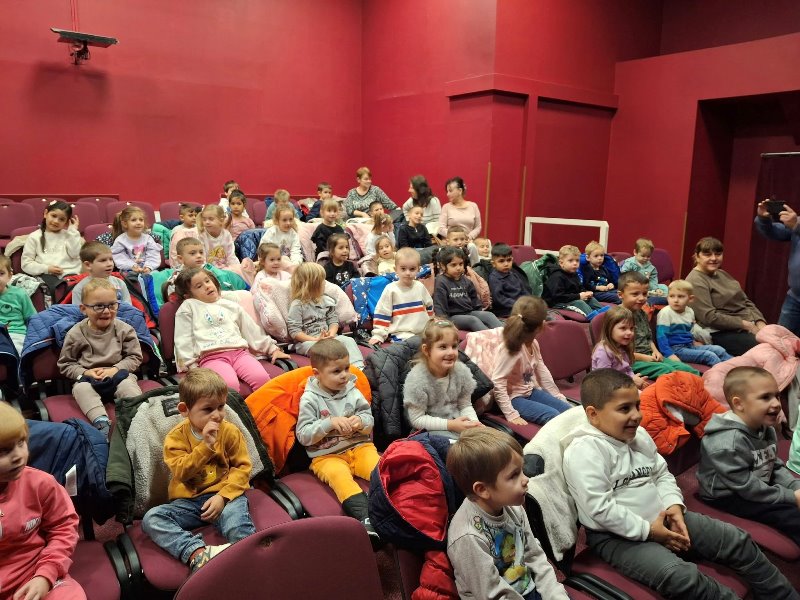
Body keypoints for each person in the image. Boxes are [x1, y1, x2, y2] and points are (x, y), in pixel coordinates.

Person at [562, 368, 797, 599]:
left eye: (637, 406)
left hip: (663, 516)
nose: (637, 415)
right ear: (593, 414)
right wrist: (649, 531)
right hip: (615, 536)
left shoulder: (639, 436)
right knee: (682, 577)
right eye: (625, 409)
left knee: (736, 540)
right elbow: (599, 509)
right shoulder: (585, 451)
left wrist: (673, 505)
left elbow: (662, 474)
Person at [141, 369, 256, 572]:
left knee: (236, 525)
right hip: (190, 502)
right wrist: (206, 446)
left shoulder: (230, 431)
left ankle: (246, 561)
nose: (217, 415)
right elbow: (182, 473)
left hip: (226, 496)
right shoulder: (175, 438)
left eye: (221, 406)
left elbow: (242, 468)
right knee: (152, 519)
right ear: (185, 410)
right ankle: (198, 554)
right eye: (208, 409)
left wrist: (223, 497)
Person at [446, 428, 569, 600]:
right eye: (514, 475)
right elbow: (492, 594)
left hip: (525, 587)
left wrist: (556, 595)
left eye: (522, 470)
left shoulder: (514, 507)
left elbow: (534, 556)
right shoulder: (467, 537)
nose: (526, 479)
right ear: (482, 489)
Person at [697, 367, 800, 546]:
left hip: (756, 480)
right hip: (727, 494)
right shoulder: (727, 443)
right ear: (739, 404)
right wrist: (791, 497)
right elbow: (746, 487)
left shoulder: (766, 428)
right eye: (765, 397)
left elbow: (773, 464)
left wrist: (795, 487)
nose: (777, 403)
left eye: (776, 396)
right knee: (789, 515)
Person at [295, 338, 380, 541]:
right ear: (317, 373)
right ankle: (365, 518)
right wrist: (329, 423)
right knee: (339, 477)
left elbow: (369, 419)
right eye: (336, 371)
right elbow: (303, 435)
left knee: (380, 469)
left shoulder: (353, 390)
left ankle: (398, 504)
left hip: (360, 447)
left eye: (346, 368)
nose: (344, 375)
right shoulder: (310, 399)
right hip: (327, 456)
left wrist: (360, 421)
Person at [0, 403, 87, 600]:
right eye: (3, 451)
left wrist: (46, 574)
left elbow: (64, 528)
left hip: (33, 572)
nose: (18, 456)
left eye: (21, 442)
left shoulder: (41, 483)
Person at [173, 267, 289, 390]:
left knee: (262, 379)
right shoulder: (188, 306)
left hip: (240, 354)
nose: (207, 286)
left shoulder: (230, 305)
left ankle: (262, 404)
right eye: (199, 286)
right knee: (229, 386)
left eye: (207, 281)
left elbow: (251, 330)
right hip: (211, 358)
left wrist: (272, 349)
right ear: (188, 296)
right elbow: (183, 338)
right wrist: (191, 365)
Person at [57, 278, 143, 438]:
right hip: (89, 378)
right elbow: (66, 364)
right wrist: (85, 373)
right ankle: (100, 421)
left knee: (128, 385)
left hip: (118, 374)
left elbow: (134, 357)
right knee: (81, 389)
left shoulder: (125, 329)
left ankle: (137, 419)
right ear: (83, 309)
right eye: (98, 306)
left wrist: (115, 369)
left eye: (112, 305)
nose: (106, 311)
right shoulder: (75, 333)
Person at [491, 296, 572, 426]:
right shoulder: (511, 349)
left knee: (569, 411)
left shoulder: (534, 343)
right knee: (554, 416)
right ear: (542, 325)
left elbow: (542, 372)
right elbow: (497, 382)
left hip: (529, 391)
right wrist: (511, 414)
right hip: (513, 398)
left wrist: (557, 395)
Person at [686, 236, 766, 356]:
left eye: (718, 254)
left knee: (784, 342)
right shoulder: (695, 280)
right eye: (707, 255)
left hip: (747, 325)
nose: (714, 258)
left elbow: (745, 301)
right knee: (766, 350)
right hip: (720, 332)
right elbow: (709, 317)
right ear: (697, 256)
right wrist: (745, 324)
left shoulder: (722, 273)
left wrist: (760, 322)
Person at [402, 319, 481, 438]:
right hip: (428, 432)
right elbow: (417, 419)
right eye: (443, 347)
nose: (451, 352)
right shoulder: (416, 379)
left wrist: (474, 425)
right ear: (426, 350)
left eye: (454, 346)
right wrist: (451, 425)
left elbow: (465, 405)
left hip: (457, 425)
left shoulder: (461, 371)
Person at [618, 271, 699, 380]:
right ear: (621, 295)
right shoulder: (617, 317)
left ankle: (701, 386)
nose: (641, 298)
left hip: (649, 355)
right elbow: (617, 352)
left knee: (686, 369)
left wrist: (656, 351)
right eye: (635, 294)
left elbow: (648, 338)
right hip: (631, 361)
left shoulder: (642, 313)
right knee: (669, 371)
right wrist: (644, 357)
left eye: (644, 294)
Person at [287, 262, 364, 368]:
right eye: (322, 280)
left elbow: (333, 321)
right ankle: (336, 371)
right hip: (308, 342)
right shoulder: (297, 305)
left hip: (329, 339)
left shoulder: (327, 300)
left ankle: (359, 367)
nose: (325, 283)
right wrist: (315, 340)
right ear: (312, 284)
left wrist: (331, 334)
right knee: (325, 349)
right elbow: (295, 331)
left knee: (348, 340)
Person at [656, 279, 732, 367]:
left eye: (680, 296)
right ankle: (723, 371)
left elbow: (689, 331)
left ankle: (736, 366)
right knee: (709, 356)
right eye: (672, 296)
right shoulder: (665, 313)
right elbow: (661, 337)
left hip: (689, 345)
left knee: (719, 349)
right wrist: (669, 354)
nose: (676, 300)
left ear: (690, 299)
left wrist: (693, 341)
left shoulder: (690, 311)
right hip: (675, 349)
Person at [368, 248, 433, 344]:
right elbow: (382, 313)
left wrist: (431, 325)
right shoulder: (391, 289)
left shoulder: (420, 286)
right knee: (415, 344)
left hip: (423, 332)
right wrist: (379, 335)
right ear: (396, 270)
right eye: (403, 269)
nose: (408, 273)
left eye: (412, 269)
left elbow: (429, 306)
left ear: (418, 270)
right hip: (401, 334)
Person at [754, 199, 800, 336]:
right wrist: (763, 219)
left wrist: (796, 226)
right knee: (779, 342)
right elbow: (774, 232)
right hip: (795, 298)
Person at [433, 246, 501, 331]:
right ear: (443, 266)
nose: (458, 268)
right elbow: (439, 306)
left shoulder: (466, 280)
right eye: (453, 265)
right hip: (452, 317)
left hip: (469, 312)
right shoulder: (441, 281)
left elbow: (475, 301)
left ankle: (506, 335)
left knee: (489, 315)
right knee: (473, 320)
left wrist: (479, 313)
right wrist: (444, 323)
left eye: (461, 264)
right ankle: (488, 337)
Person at [160, 238, 248, 304]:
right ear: (180, 258)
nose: (199, 256)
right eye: (193, 253)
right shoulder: (176, 277)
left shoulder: (210, 271)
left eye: (201, 252)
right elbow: (173, 300)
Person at [21, 200, 82, 293]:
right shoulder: (34, 237)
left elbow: (75, 254)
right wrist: (47, 269)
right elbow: (26, 264)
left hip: (70, 275)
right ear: (46, 213)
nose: (56, 221)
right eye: (53, 216)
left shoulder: (70, 235)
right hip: (46, 276)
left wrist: (73, 231)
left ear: (67, 222)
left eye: (62, 219)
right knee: (54, 288)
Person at [591, 305, 650, 389]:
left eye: (631, 328)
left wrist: (634, 378)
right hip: (606, 391)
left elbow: (627, 369)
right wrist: (631, 381)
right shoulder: (603, 352)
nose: (629, 332)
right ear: (609, 329)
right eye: (623, 328)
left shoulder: (622, 346)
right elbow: (605, 381)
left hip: (622, 386)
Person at [543, 245, 604, 317]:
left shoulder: (574, 273)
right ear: (561, 263)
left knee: (590, 299)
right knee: (580, 303)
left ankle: (604, 314)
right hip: (557, 303)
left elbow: (579, 288)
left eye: (577, 260)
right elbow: (558, 297)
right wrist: (578, 296)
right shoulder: (557, 276)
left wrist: (585, 292)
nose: (575, 263)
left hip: (571, 298)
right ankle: (594, 317)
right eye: (570, 261)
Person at [71, 241, 132, 306]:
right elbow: (78, 311)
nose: (109, 264)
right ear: (88, 265)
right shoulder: (80, 289)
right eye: (103, 260)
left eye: (111, 259)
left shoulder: (120, 283)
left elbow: (129, 308)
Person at [0, 254, 35, 353]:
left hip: (16, 334)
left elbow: (32, 319)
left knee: (14, 352)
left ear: (9, 276)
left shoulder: (20, 294)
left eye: (1, 273)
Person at [111, 206, 162, 274]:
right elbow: (119, 257)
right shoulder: (120, 240)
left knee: (155, 274)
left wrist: (148, 267)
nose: (138, 223)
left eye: (141, 220)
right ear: (125, 224)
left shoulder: (148, 239)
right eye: (133, 220)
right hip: (128, 270)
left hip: (148, 270)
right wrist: (132, 266)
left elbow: (153, 255)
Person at [446, 226, 489, 306]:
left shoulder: (465, 252)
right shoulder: (444, 254)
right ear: (448, 241)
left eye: (462, 239)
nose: (459, 242)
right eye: (455, 240)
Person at [488, 243, 532, 319]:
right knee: (530, 316)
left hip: (519, 306)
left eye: (509, 260)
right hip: (505, 310)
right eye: (501, 261)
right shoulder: (494, 278)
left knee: (537, 308)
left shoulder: (514, 275)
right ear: (493, 264)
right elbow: (499, 299)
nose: (506, 264)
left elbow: (524, 291)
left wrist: (528, 301)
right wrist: (518, 304)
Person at [197, 205, 241, 272]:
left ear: (221, 220)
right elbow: (202, 259)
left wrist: (236, 269)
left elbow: (231, 256)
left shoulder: (226, 235)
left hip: (225, 269)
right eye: (204, 219)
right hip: (208, 270)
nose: (207, 222)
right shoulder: (202, 236)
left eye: (211, 219)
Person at [260, 204, 302, 272]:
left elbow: (296, 251)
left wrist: (295, 265)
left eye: (291, 219)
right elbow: (263, 250)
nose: (288, 223)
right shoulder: (271, 232)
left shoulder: (294, 234)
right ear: (277, 221)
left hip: (288, 265)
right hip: (272, 264)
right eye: (284, 220)